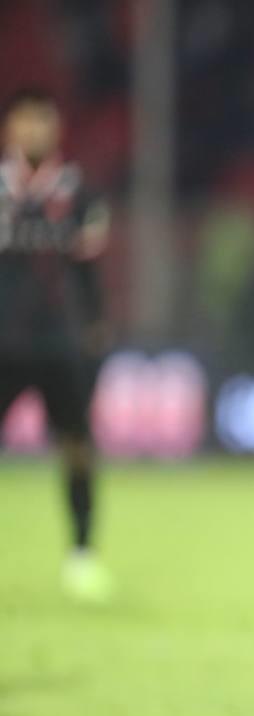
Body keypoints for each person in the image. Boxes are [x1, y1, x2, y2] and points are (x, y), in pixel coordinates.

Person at [0, 88, 112, 602]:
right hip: (3, 341)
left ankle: (82, 554)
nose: (34, 130)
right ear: (10, 128)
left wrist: (95, 326)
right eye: (25, 121)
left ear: (56, 128)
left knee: (76, 447)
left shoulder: (79, 191)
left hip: (60, 342)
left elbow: (90, 271)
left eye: (42, 121)